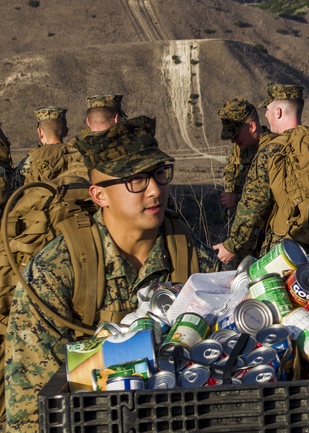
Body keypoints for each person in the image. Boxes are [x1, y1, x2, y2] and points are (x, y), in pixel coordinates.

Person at [3, 116, 218, 432]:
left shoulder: (192, 257)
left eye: (160, 174)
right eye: (136, 180)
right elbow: (31, 405)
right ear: (99, 195)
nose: (155, 190)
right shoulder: (57, 270)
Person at [213, 84, 309, 263]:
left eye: (267, 109)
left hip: (293, 246)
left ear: (278, 112)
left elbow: (253, 204)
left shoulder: (273, 149)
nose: (265, 115)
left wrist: (232, 245)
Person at [218, 98, 275, 211]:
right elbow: (231, 172)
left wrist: (237, 199)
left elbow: (273, 197)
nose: (233, 140)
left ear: (252, 127)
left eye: (236, 134)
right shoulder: (240, 147)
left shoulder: (272, 150)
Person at [11, 106, 87, 188]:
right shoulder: (83, 154)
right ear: (66, 131)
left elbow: (15, 192)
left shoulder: (30, 161)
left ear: (40, 132)